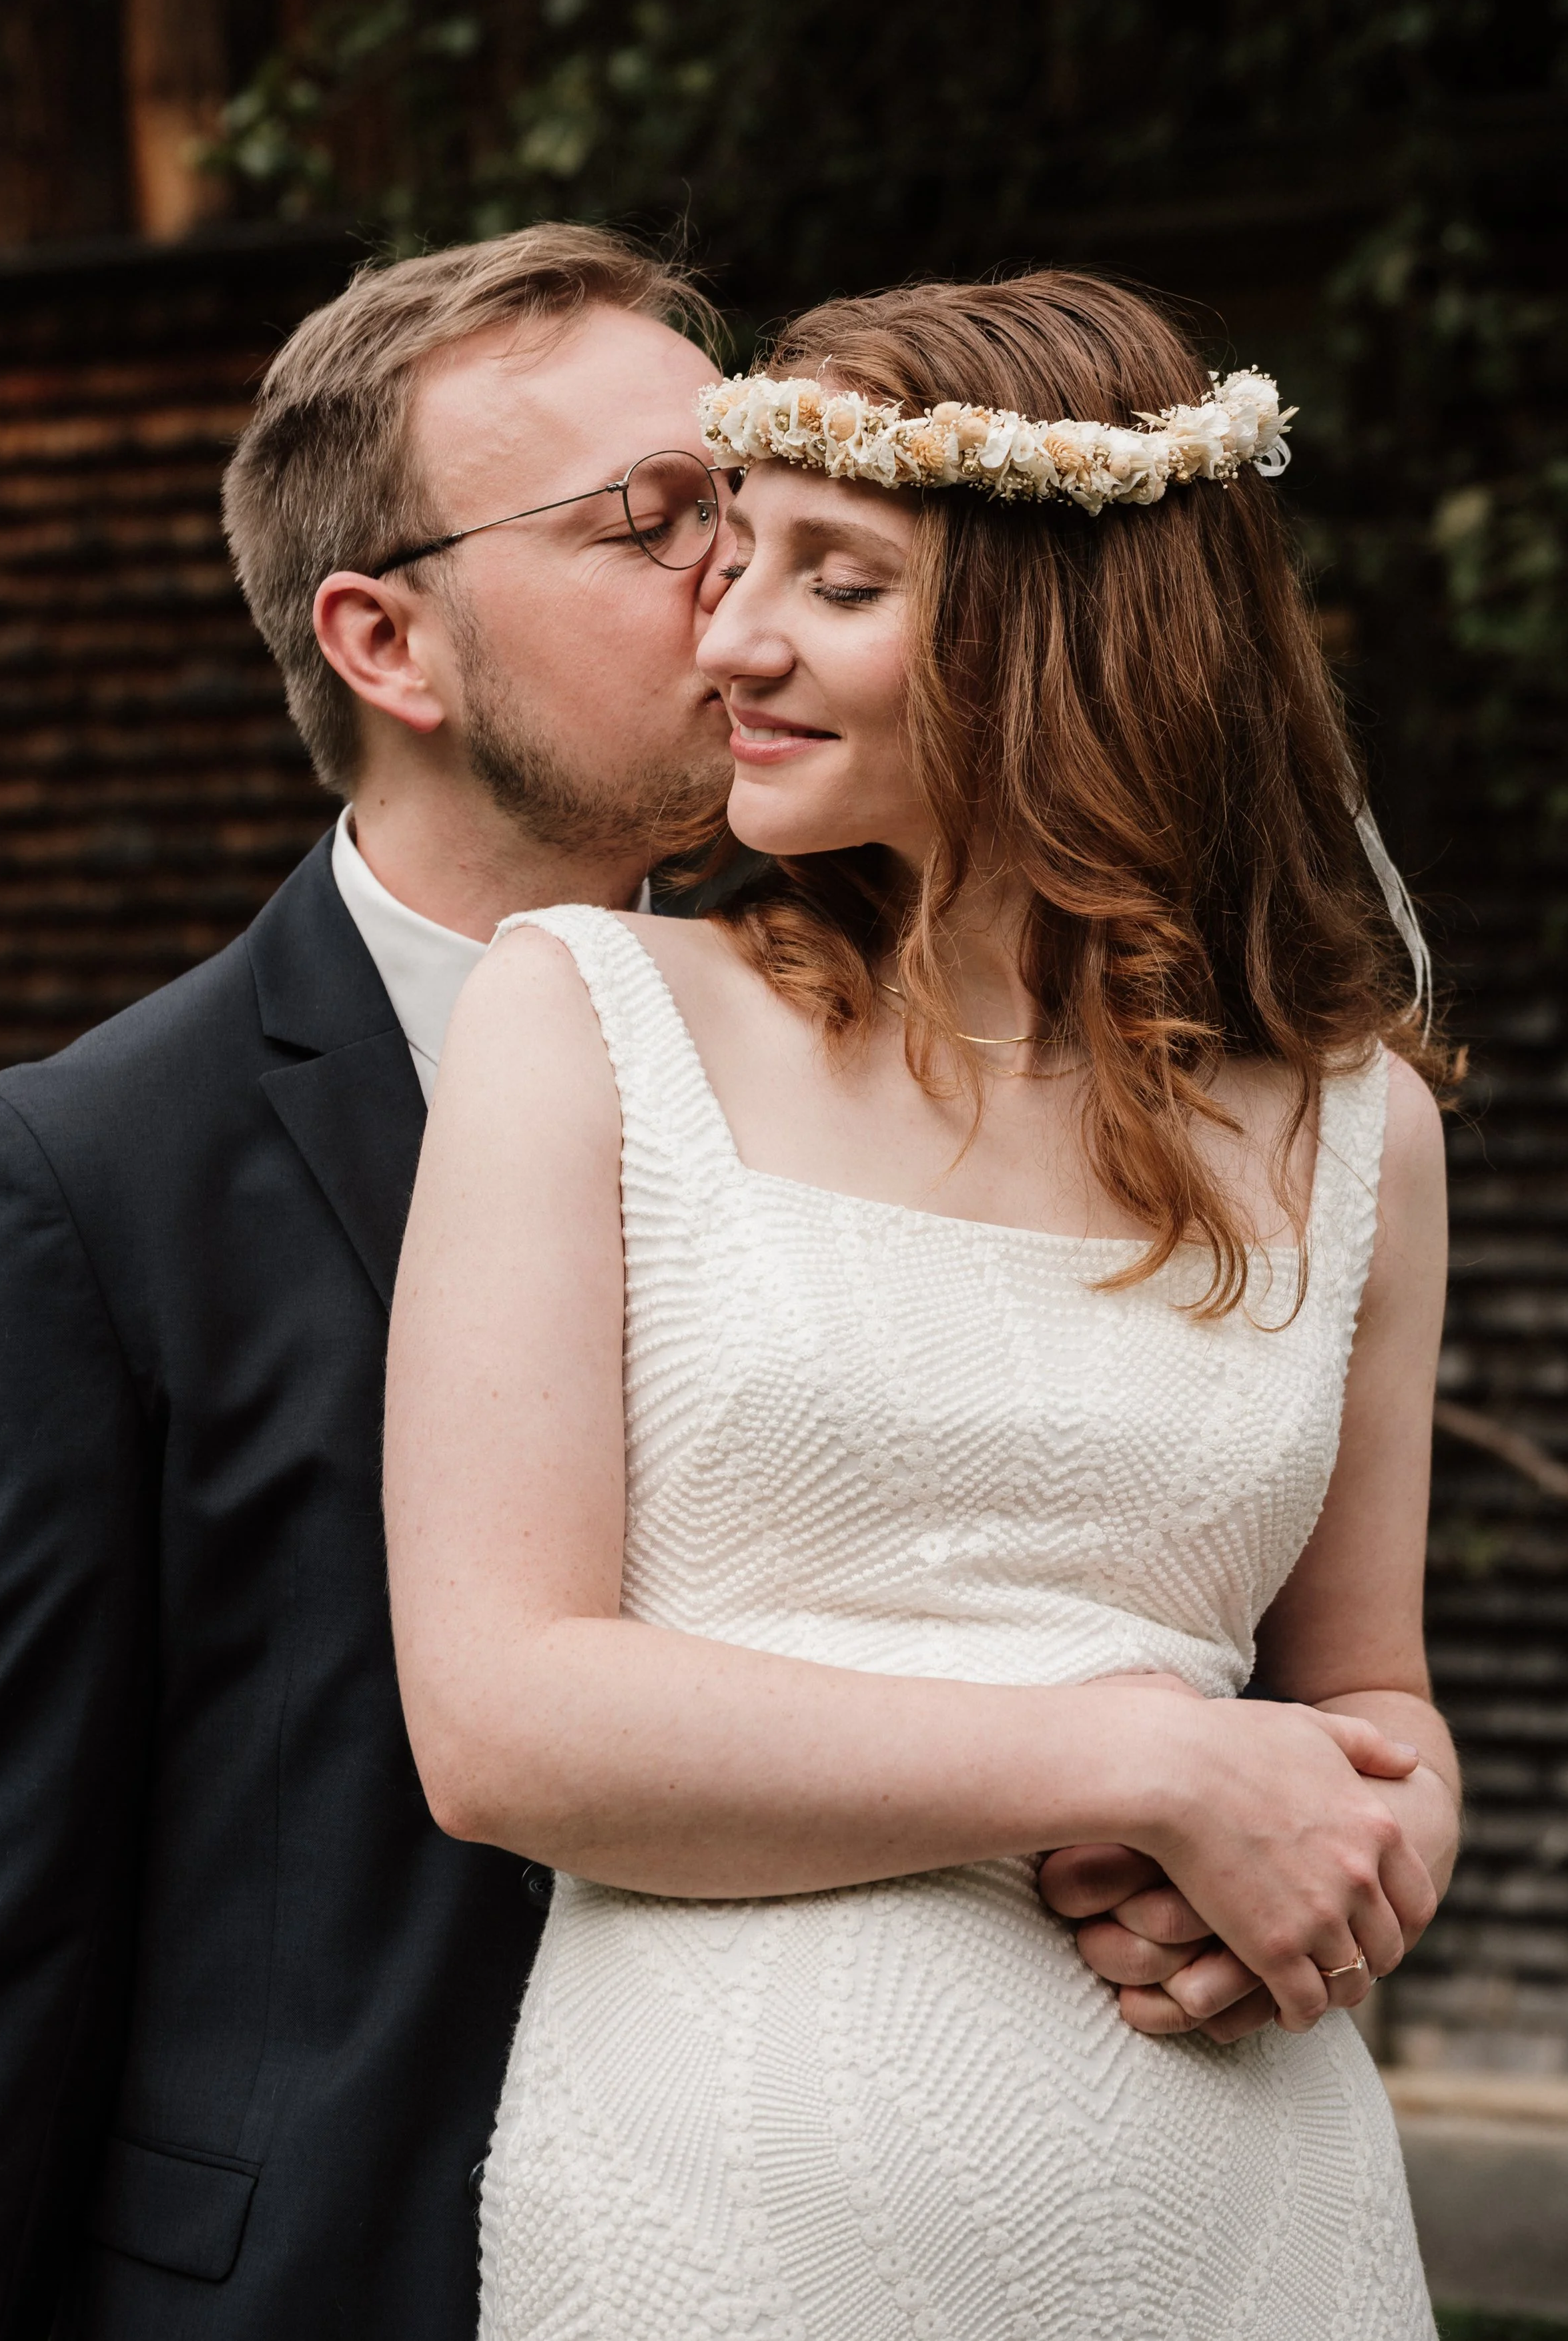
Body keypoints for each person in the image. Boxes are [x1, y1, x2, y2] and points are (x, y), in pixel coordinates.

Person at [385, 271, 1463, 2340]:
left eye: (835, 576)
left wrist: (1365, 1847)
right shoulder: (592, 1023)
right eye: (726, 561)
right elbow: (502, 1719)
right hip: (729, 2209)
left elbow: (1365, 1697)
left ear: (1063, 632)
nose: (730, 638)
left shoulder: (1358, 1127)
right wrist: (1140, 1768)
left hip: (1241, 2212)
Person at [0, 225, 738, 2340]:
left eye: (749, 499)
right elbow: (6, 1906)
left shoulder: (876, 1070)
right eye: (647, 520)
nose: (737, 576)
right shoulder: (86, 1178)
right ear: (388, 639)